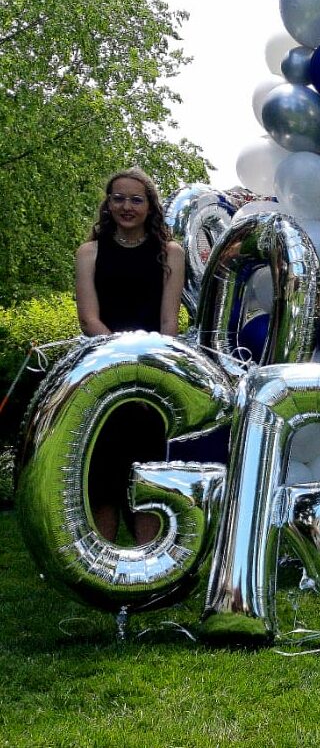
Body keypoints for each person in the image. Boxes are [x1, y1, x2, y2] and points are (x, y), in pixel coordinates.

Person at [75, 168, 186, 544]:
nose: (126, 206)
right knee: (102, 470)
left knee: (148, 469)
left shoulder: (171, 253)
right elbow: (89, 319)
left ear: (150, 206)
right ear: (108, 204)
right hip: (102, 372)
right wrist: (119, 359)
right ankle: (102, 561)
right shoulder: (88, 253)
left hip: (150, 376)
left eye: (136, 199)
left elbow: (169, 322)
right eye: (118, 198)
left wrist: (147, 364)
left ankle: (147, 560)